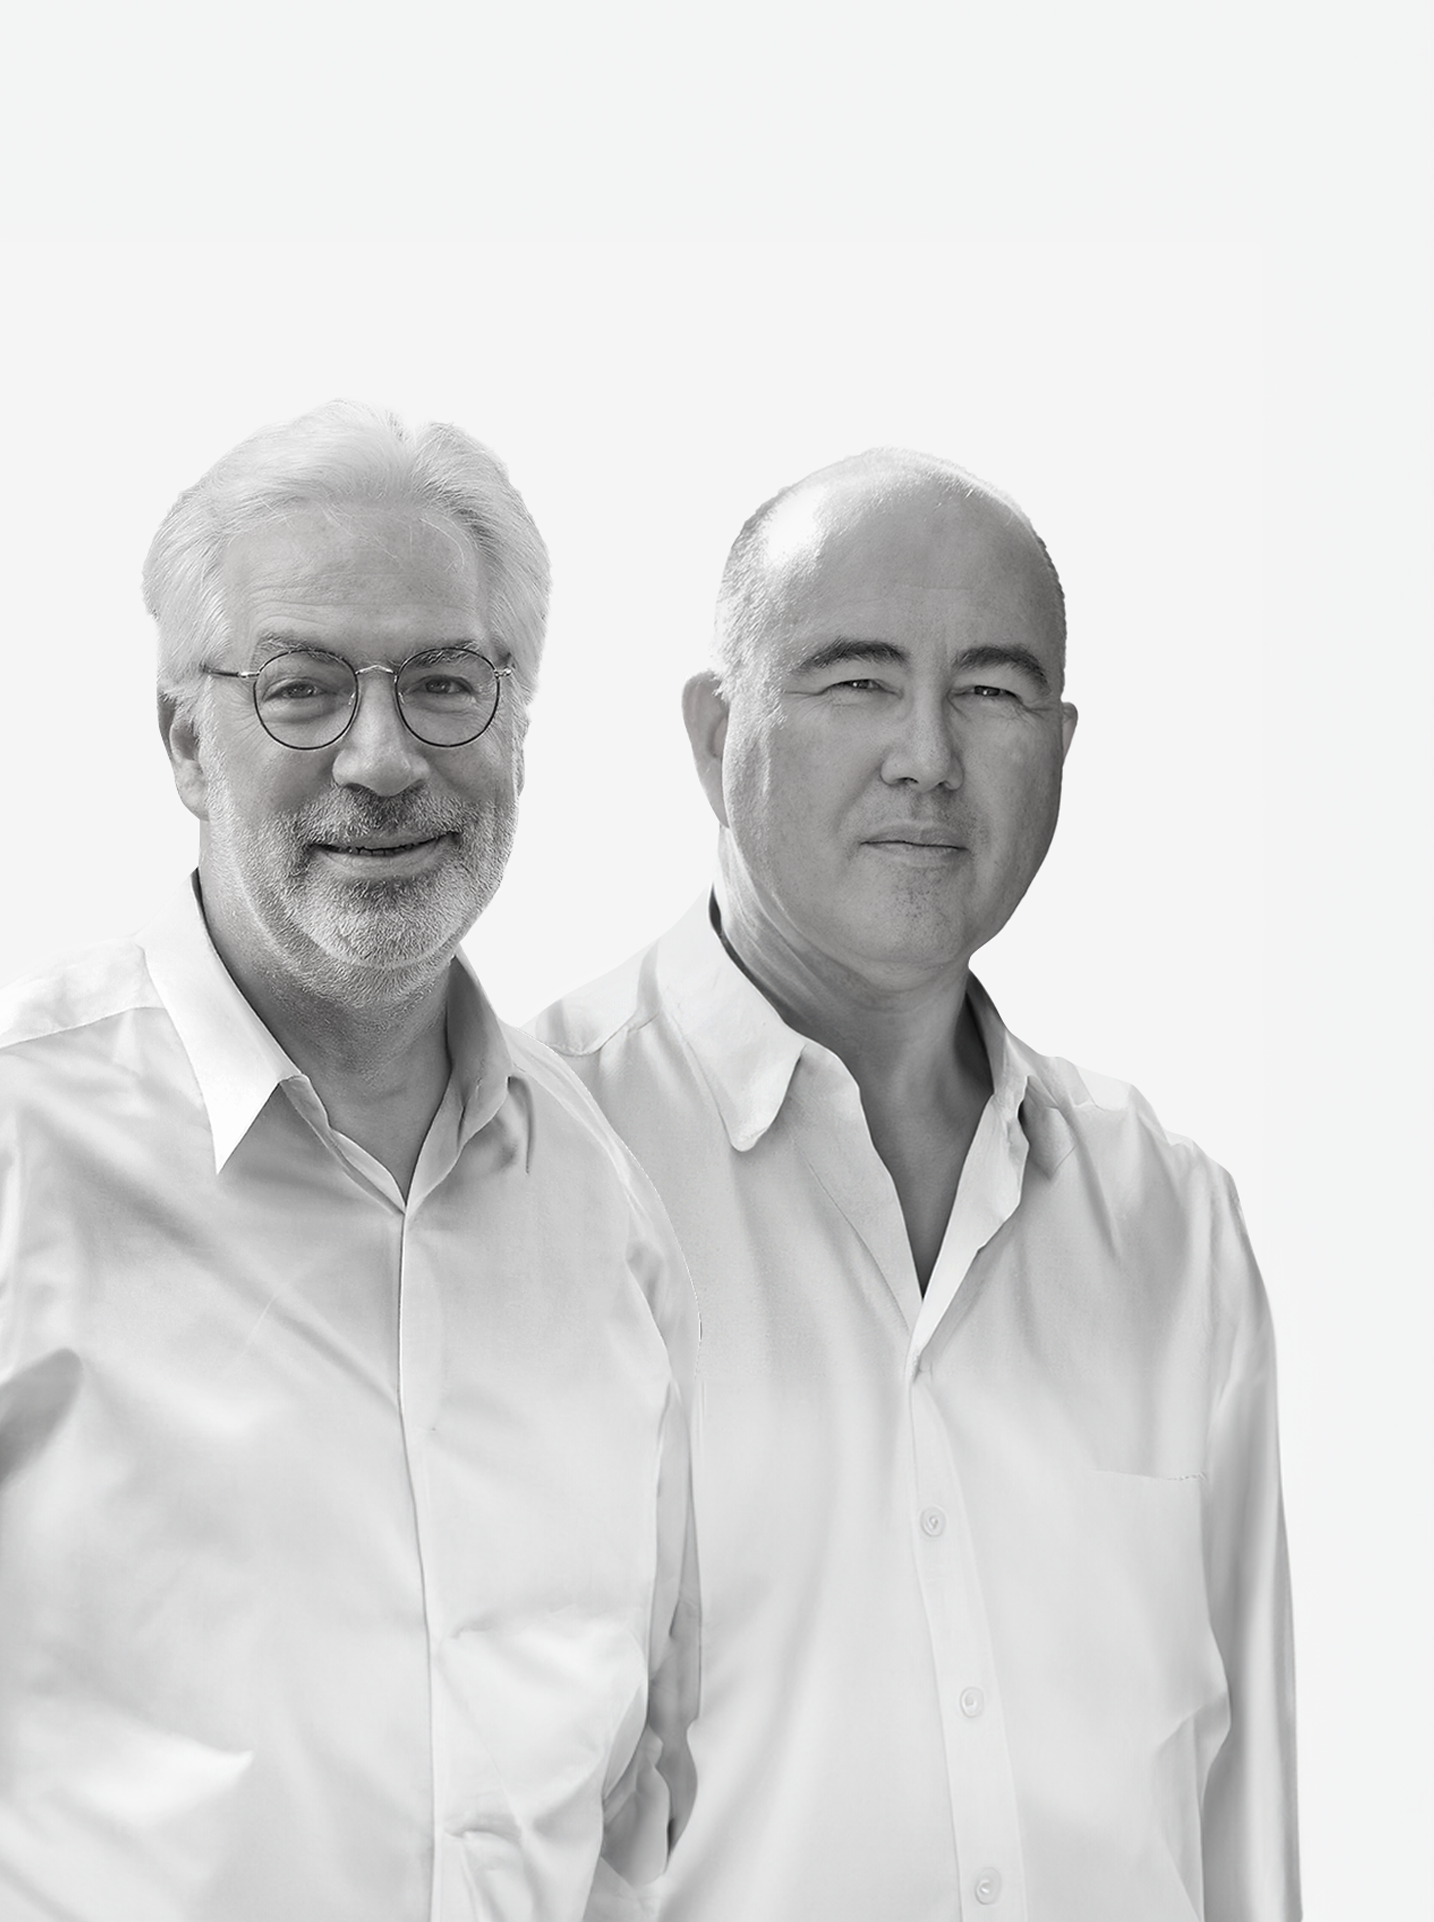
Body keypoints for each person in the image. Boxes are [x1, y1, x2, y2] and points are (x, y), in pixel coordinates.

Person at [0, 403, 698, 1922]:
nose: (380, 758)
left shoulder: (604, 1213)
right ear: (181, 738)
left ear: (516, 725)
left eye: (443, 684)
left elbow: (625, 1822)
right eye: (300, 688)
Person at [534, 449, 1297, 1922]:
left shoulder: (1168, 1219)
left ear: (1061, 745)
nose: (928, 756)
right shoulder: (513, 1169)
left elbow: (1234, 1796)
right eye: (854, 681)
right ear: (713, 733)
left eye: (993, 693)